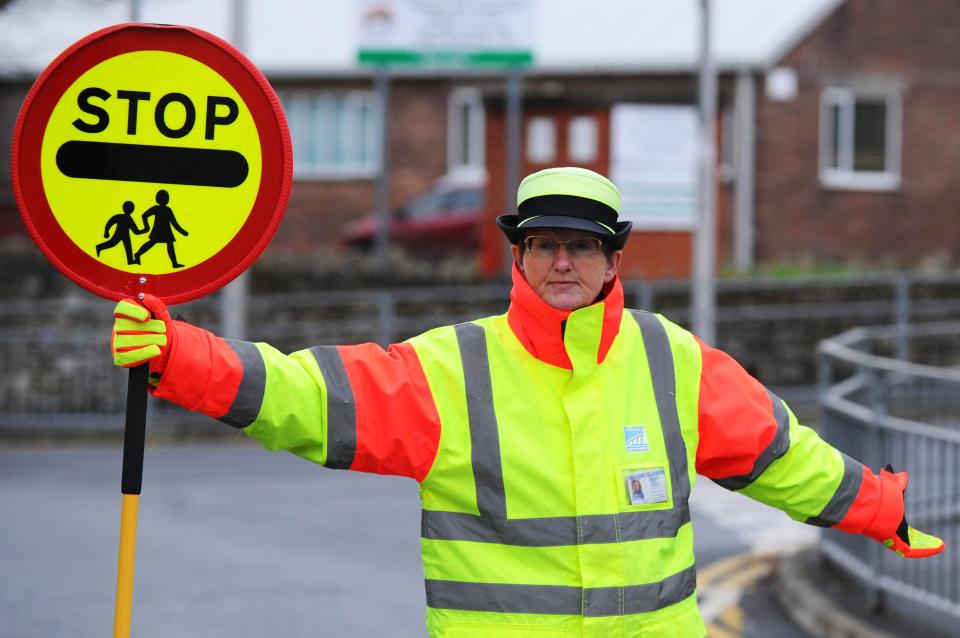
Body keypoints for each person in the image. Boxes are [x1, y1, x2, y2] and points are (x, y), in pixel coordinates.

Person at [111, 167, 944, 637]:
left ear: (613, 259)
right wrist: (182, 356)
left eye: (581, 246)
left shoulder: (669, 357)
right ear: (519, 254)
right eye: (544, 244)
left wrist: (880, 507)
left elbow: (780, 454)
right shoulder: (454, 367)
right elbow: (309, 396)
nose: (561, 262)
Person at [131, 189, 189, 268]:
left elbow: (174, 222)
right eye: (163, 198)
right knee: (152, 243)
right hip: (158, 230)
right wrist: (147, 226)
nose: (165, 199)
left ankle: (174, 263)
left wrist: (182, 231)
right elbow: (144, 215)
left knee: (169, 245)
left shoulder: (168, 209)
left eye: (166, 198)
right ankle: (137, 254)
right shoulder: (156, 208)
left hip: (166, 230)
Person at [95, 200, 146, 265]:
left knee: (128, 247)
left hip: (126, 235)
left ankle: (130, 260)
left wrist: (144, 230)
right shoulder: (121, 217)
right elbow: (110, 222)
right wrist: (106, 231)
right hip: (119, 234)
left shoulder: (128, 218)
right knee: (112, 243)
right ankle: (99, 247)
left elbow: (136, 231)